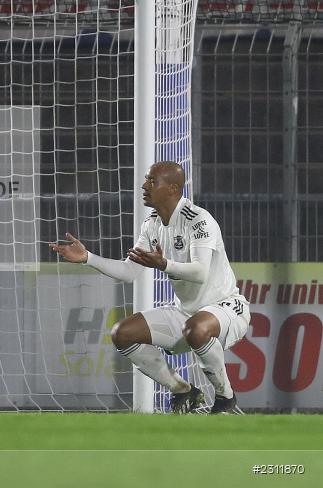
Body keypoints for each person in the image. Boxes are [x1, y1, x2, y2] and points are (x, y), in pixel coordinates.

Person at [51, 161, 249, 414]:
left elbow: (200, 273)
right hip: (186, 313)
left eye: (152, 181)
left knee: (196, 328)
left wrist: (164, 264)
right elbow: (129, 271)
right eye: (146, 180)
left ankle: (225, 398)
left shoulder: (199, 220)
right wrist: (88, 258)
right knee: (122, 333)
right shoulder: (152, 224)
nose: (144, 186)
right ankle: (182, 390)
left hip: (226, 308)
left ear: (173, 188)